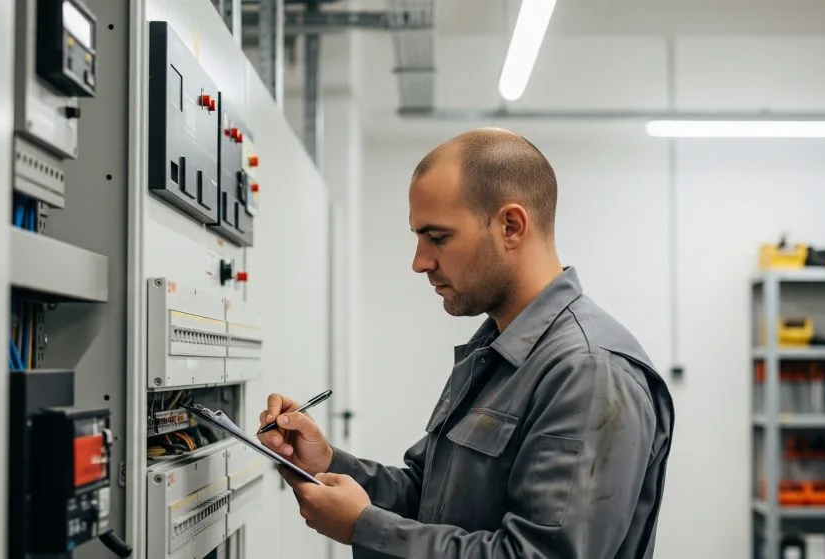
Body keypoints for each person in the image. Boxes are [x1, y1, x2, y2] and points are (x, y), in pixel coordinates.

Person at [257, 127, 675, 558]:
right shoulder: (498, 353)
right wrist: (326, 464)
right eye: (418, 238)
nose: (420, 262)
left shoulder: (587, 371)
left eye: (438, 238)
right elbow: (430, 501)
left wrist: (365, 527)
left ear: (511, 226)